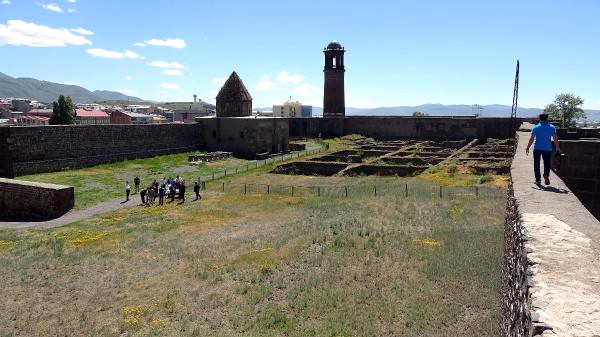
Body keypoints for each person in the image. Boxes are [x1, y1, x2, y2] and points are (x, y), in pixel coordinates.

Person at [526, 113, 561, 185]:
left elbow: (532, 139)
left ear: (540, 119)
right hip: (547, 148)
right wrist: (557, 147)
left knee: (536, 164)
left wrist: (528, 147)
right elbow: (555, 138)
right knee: (547, 163)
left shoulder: (536, 127)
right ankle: (546, 175)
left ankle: (538, 179)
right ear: (547, 118)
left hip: (537, 148)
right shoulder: (552, 127)